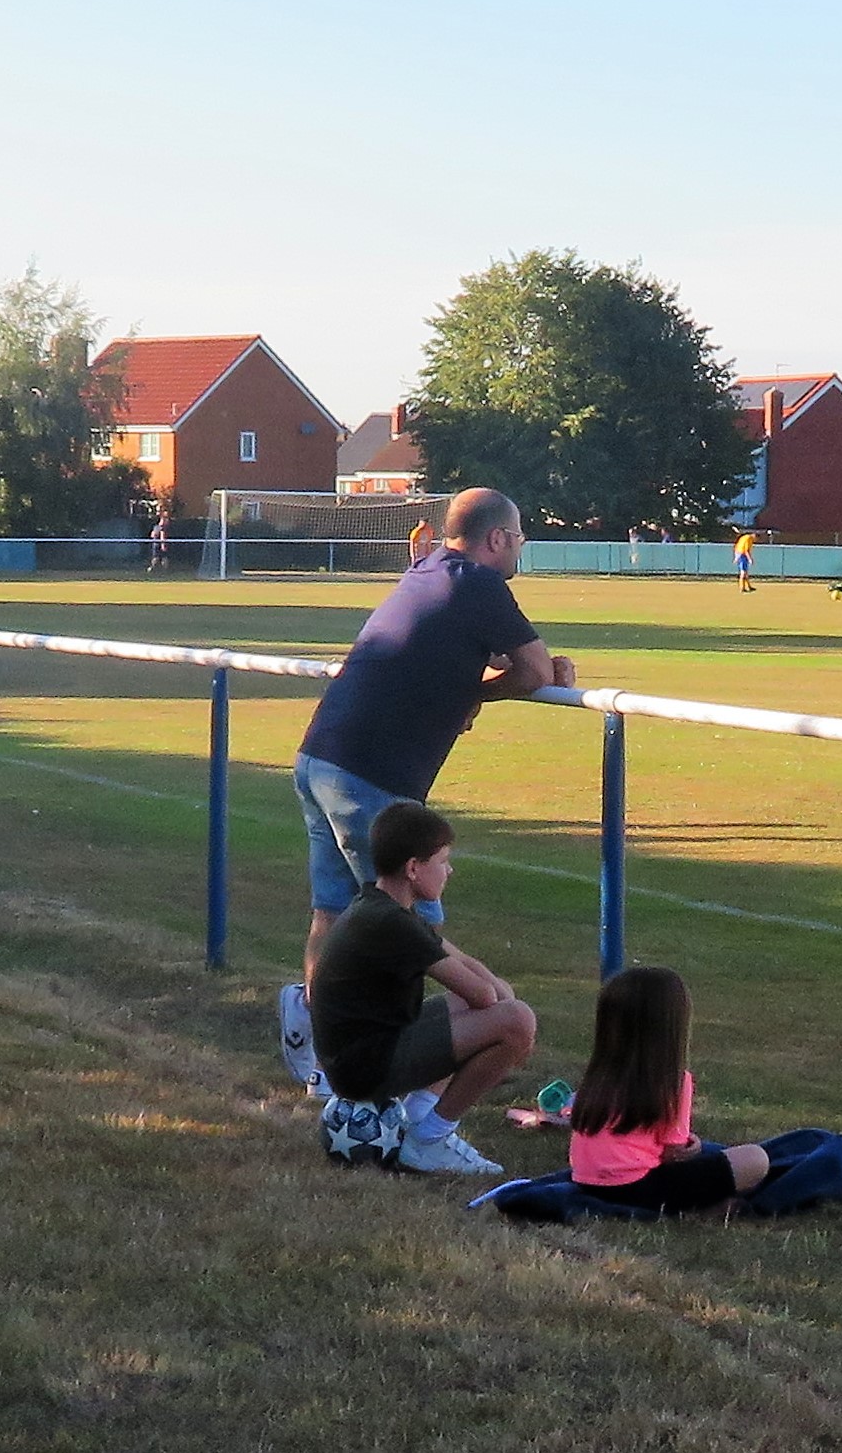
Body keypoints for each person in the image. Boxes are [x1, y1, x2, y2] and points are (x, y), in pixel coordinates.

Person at [280, 487, 574, 1098]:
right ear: (497, 539)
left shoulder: (428, 570)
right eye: (518, 538)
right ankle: (404, 1085)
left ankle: (318, 1046)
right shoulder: (480, 584)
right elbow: (536, 671)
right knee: (411, 924)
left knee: (334, 914)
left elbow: (468, 653)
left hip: (319, 759)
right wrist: (480, 692)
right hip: (371, 776)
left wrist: (474, 683)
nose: (520, 549)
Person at [308, 803, 534, 1176]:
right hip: (363, 1069)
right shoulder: (390, 924)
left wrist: (501, 992)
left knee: (497, 1006)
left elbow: (467, 967)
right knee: (517, 1022)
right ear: (413, 868)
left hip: (365, 1050)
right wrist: (510, 1022)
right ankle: (429, 1141)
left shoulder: (381, 906)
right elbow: (482, 996)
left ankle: (417, 1116)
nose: (450, 871)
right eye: (442, 862)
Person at [567, 965, 771, 1215]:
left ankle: (704, 1205)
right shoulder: (672, 1081)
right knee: (755, 1158)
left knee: (712, 1155)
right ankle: (700, 1207)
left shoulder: (599, 1075)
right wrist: (692, 1148)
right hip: (639, 1188)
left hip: (585, 1182)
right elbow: (673, 1153)